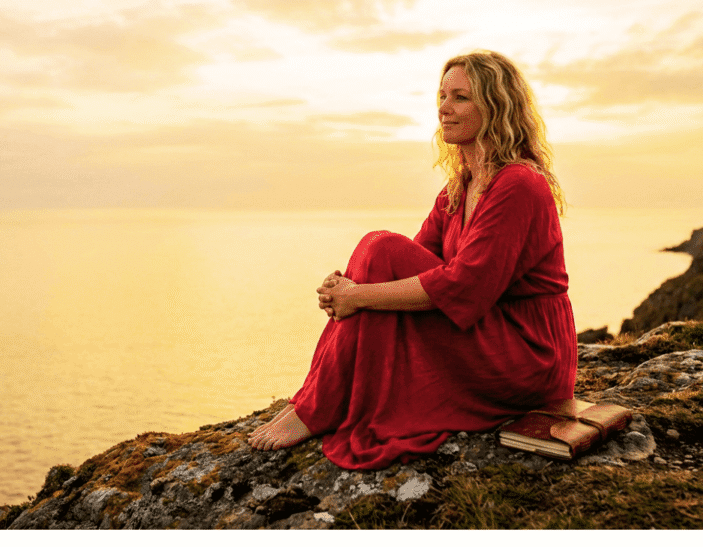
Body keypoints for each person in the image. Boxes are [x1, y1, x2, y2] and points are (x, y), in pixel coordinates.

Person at [248, 50, 578, 470]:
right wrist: (347, 286)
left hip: (529, 356)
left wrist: (357, 295)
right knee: (378, 249)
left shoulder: (518, 185)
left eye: (460, 97)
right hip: (490, 334)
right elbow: (414, 261)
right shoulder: (460, 187)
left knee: (380, 248)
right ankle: (315, 402)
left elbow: (464, 286)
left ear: (496, 106)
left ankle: (316, 407)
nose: (443, 108)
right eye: (442, 96)